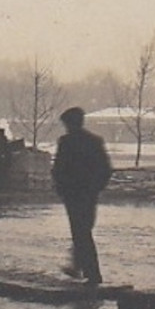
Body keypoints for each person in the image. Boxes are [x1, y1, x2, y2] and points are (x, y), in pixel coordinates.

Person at [52, 107, 113, 285]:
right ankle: (82, 268)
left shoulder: (66, 142)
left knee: (80, 232)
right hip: (89, 194)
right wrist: (96, 188)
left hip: (73, 194)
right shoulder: (94, 141)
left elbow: (59, 169)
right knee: (84, 231)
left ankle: (90, 273)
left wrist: (61, 189)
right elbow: (105, 169)